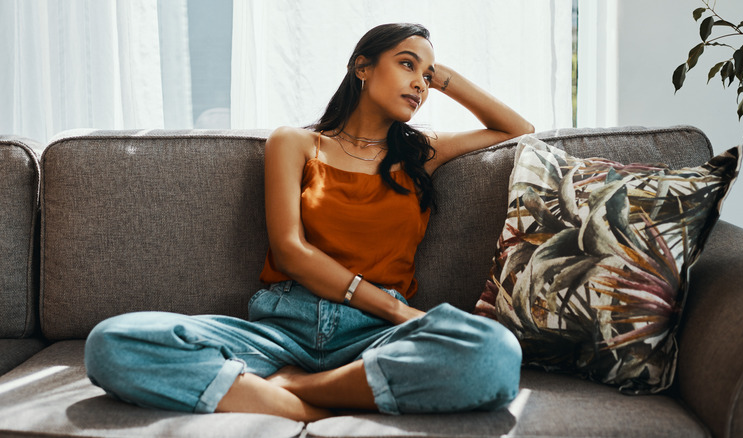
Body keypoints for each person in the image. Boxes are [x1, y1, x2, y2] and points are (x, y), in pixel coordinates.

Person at [84, 23, 534, 421]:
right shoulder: (295, 143)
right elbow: (291, 252)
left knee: (494, 353)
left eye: (427, 77)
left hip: (376, 339)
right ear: (362, 67)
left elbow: (519, 129)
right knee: (112, 342)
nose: (420, 84)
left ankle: (298, 389)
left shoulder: (421, 153)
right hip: (282, 329)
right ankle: (325, 400)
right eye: (406, 64)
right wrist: (397, 308)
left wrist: (445, 79)